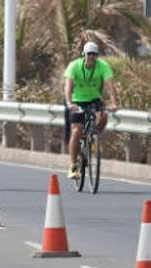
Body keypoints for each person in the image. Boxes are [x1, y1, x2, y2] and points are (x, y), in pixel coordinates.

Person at [63, 41, 119, 180]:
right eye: (89, 54)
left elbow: (110, 85)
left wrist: (114, 102)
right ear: (84, 54)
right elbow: (68, 86)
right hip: (77, 100)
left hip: (94, 99)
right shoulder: (74, 66)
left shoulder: (103, 66)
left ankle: (93, 138)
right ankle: (73, 166)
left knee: (104, 116)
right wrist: (69, 102)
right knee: (77, 130)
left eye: (94, 54)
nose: (91, 57)